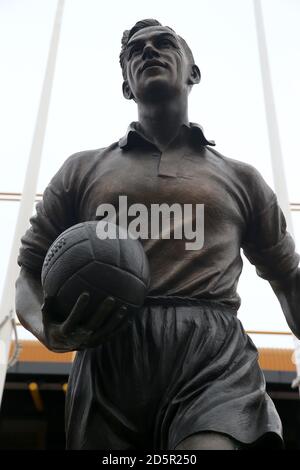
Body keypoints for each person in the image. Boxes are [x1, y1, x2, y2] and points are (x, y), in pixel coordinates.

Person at [15, 19, 300, 450]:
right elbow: (28, 275)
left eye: (163, 43)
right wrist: (49, 329)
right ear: (127, 87)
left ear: (193, 73)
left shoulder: (242, 179)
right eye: (135, 51)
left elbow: (288, 279)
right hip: (110, 353)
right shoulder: (81, 170)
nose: (148, 51)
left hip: (210, 354)